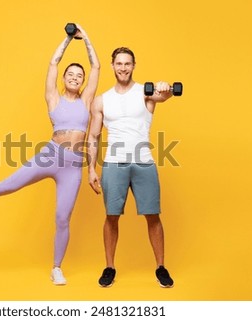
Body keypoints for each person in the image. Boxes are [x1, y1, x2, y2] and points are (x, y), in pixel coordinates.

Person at [0, 24, 100, 285]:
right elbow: (53, 62)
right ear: (64, 77)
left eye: (80, 76)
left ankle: (56, 267)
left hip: (73, 165)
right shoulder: (53, 97)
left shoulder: (87, 101)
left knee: (62, 218)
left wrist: (86, 38)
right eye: (72, 73)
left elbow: (97, 68)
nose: (76, 77)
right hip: (50, 155)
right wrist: (69, 39)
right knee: (6, 186)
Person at [87, 47, 174, 288]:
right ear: (113, 65)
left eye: (127, 64)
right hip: (114, 163)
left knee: (153, 216)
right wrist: (91, 169)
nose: (123, 68)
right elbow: (93, 136)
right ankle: (109, 267)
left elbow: (163, 96)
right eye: (119, 63)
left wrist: (165, 88)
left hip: (143, 162)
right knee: (111, 216)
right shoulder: (101, 100)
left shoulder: (145, 93)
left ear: (134, 65)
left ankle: (161, 267)